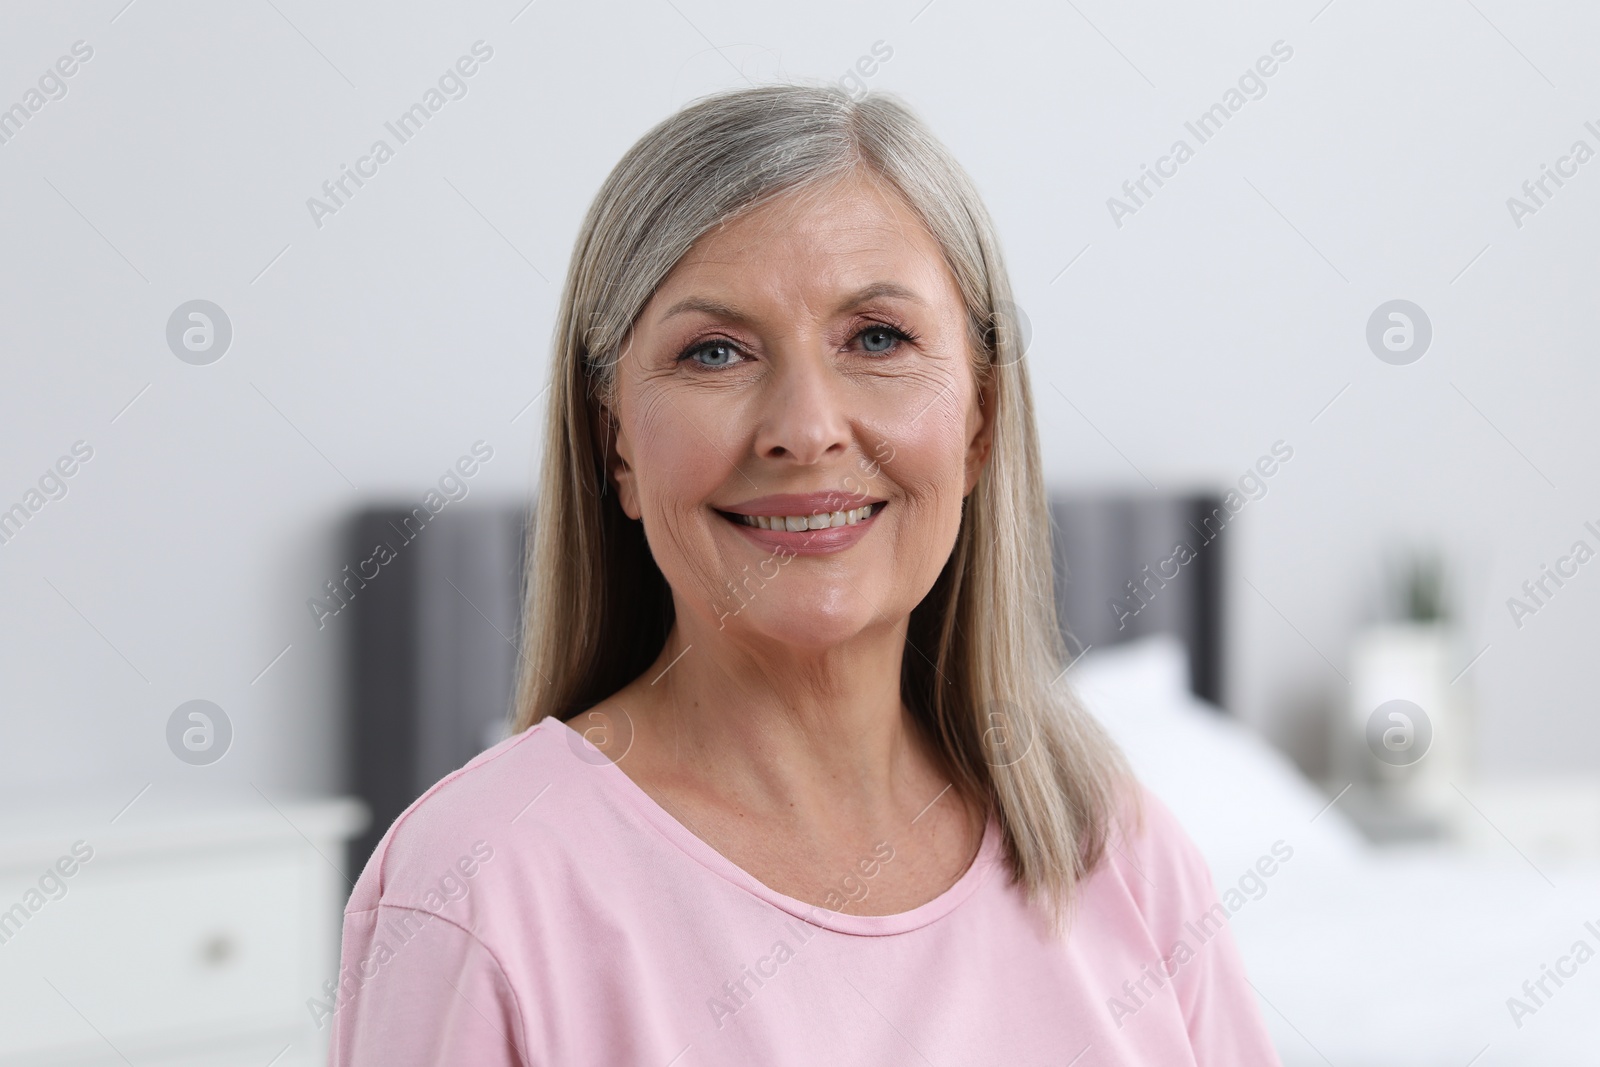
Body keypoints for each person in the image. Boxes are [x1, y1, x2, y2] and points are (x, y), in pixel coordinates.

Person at [329, 84, 1281, 1065]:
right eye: (715, 351)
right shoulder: (473, 887)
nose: (805, 427)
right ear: (615, 444)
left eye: (877, 337)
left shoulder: (1114, 849)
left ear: (980, 422)